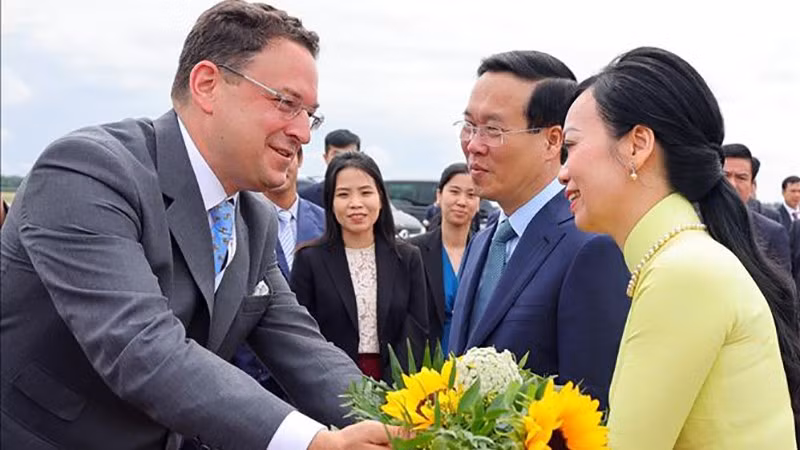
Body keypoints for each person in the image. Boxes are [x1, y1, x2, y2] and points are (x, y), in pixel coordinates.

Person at [0, 2, 397, 449]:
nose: (304, 132)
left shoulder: (252, 218)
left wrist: (408, 426)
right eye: (286, 103)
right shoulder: (87, 172)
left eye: (310, 114)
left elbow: (302, 348)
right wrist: (313, 443)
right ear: (207, 85)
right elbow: (141, 348)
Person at [559, 46, 799, 448]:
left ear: (637, 145)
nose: (563, 171)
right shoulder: (682, 260)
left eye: (571, 146)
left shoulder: (682, 272)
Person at [448, 50, 630, 410]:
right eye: (469, 125)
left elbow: (591, 406)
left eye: (494, 130)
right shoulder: (484, 238)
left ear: (552, 140)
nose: (473, 144)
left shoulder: (590, 246)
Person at [291, 152, 428, 381]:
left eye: (366, 193)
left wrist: (395, 385)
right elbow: (303, 334)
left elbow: (416, 328)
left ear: (381, 198)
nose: (356, 204)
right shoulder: (310, 259)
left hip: (396, 384)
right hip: (329, 381)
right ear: (330, 202)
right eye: (343, 194)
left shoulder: (407, 257)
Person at [232, 147, 325, 392]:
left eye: (289, 154)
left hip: (315, 369)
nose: (281, 163)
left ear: (301, 159)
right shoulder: (234, 223)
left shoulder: (327, 224)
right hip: (251, 375)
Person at [408, 163, 479, 353]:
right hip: (424, 364)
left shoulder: (487, 251)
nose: (462, 201)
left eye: (471, 195)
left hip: (471, 365)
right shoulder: (413, 250)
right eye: (454, 192)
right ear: (439, 196)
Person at [722, 143, 792, 272]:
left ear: (752, 185)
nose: (732, 184)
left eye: (741, 178)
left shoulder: (771, 233)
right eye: (726, 175)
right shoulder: (690, 222)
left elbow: (782, 288)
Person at [298, 129, 360, 208]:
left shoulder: (370, 196)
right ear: (326, 157)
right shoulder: (306, 197)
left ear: (359, 158)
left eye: (349, 155)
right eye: (337, 155)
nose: (343, 161)